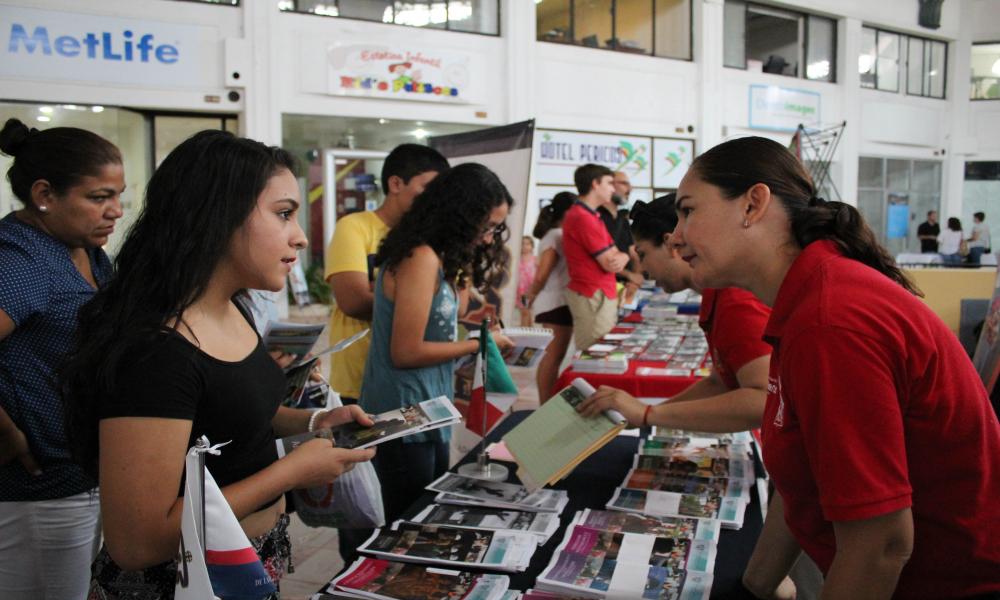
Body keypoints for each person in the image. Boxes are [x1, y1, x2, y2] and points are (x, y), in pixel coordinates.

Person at [666, 136, 1000, 599]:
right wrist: (753, 587)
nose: (676, 235)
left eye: (687, 210)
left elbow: (881, 544)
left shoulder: (829, 321)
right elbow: (805, 476)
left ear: (752, 205)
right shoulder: (808, 300)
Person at [61, 130, 376, 599]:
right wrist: (291, 472)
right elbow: (137, 541)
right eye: (283, 213)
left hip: (250, 559)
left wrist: (314, 421)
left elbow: (230, 417)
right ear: (218, 216)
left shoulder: (234, 309)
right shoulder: (155, 352)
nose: (302, 236)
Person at [0, 118, 124, 600]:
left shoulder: (87, 252)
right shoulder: (20, 260)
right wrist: (5, 430)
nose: (115, 211)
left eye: (118, 195)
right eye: (99, 197)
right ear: (45, 194)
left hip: (84, 474)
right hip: (39, 490)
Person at [361, 162, 514, 526]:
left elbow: (451, 314)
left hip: (428, 410)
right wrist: (477, 345)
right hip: (402, 415)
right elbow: (406, 351)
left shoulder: (437, 258)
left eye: (496, 229)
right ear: (461, 215)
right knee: (407, 519)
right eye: (488, 226)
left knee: (423, 510)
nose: (491, 238)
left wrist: (464, 261)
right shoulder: (420, 257)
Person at [578, 194, 774, 434]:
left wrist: (648, 414)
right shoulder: (718, 298)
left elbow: (764, 399)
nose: (644, 268)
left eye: (644, 254)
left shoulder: (735, 300)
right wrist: (645, 414)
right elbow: (720, 383)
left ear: (672, 244)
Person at [324, 144, 450, 406]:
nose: (434, 200)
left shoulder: (429, 240)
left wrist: (385, 291)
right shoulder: (355, 227)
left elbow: (449, 306)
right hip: (357, 381)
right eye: (428, 188)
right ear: (396, 183)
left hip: (414, 381)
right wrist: (414, 303)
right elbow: (353, 301)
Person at [562, 164, 630, 350]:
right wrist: (621, 257)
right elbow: (610, 263)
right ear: (595, 184)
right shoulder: (582, 217)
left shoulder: (592, 216)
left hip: (600, 293)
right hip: (593, 294)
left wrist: (622, 256)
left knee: (601, 351)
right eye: (609, 183)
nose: (613, 188)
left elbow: (618, 254)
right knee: (594, 353)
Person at [525, 192, 576, 401]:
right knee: (552, 357)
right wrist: (530, 295)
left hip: (559, 301)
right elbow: (543, 273)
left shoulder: (558, 234)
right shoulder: (556, 235)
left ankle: (546, 402)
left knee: (555, 356)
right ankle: (544, 404)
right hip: (555, 302)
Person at [600, 171, 645, 302]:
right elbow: (602, 259)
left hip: (624, 290)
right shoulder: (596, 218)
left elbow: (633, 253)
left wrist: (636, 280)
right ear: (609, 185)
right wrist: (630, 275)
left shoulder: (622, 219)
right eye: (624, 183)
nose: (630, 189)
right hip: (601, 289)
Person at [516, 236, 537, 327]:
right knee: (524, 313)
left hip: (531, 289)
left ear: (532, 246)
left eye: (527, 244)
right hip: (520, 290)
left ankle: (527, 334)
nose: (524, 246)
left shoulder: (535, 259)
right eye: (522, 244)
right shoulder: (517, 259)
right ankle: (525, 335)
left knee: (528, 314)